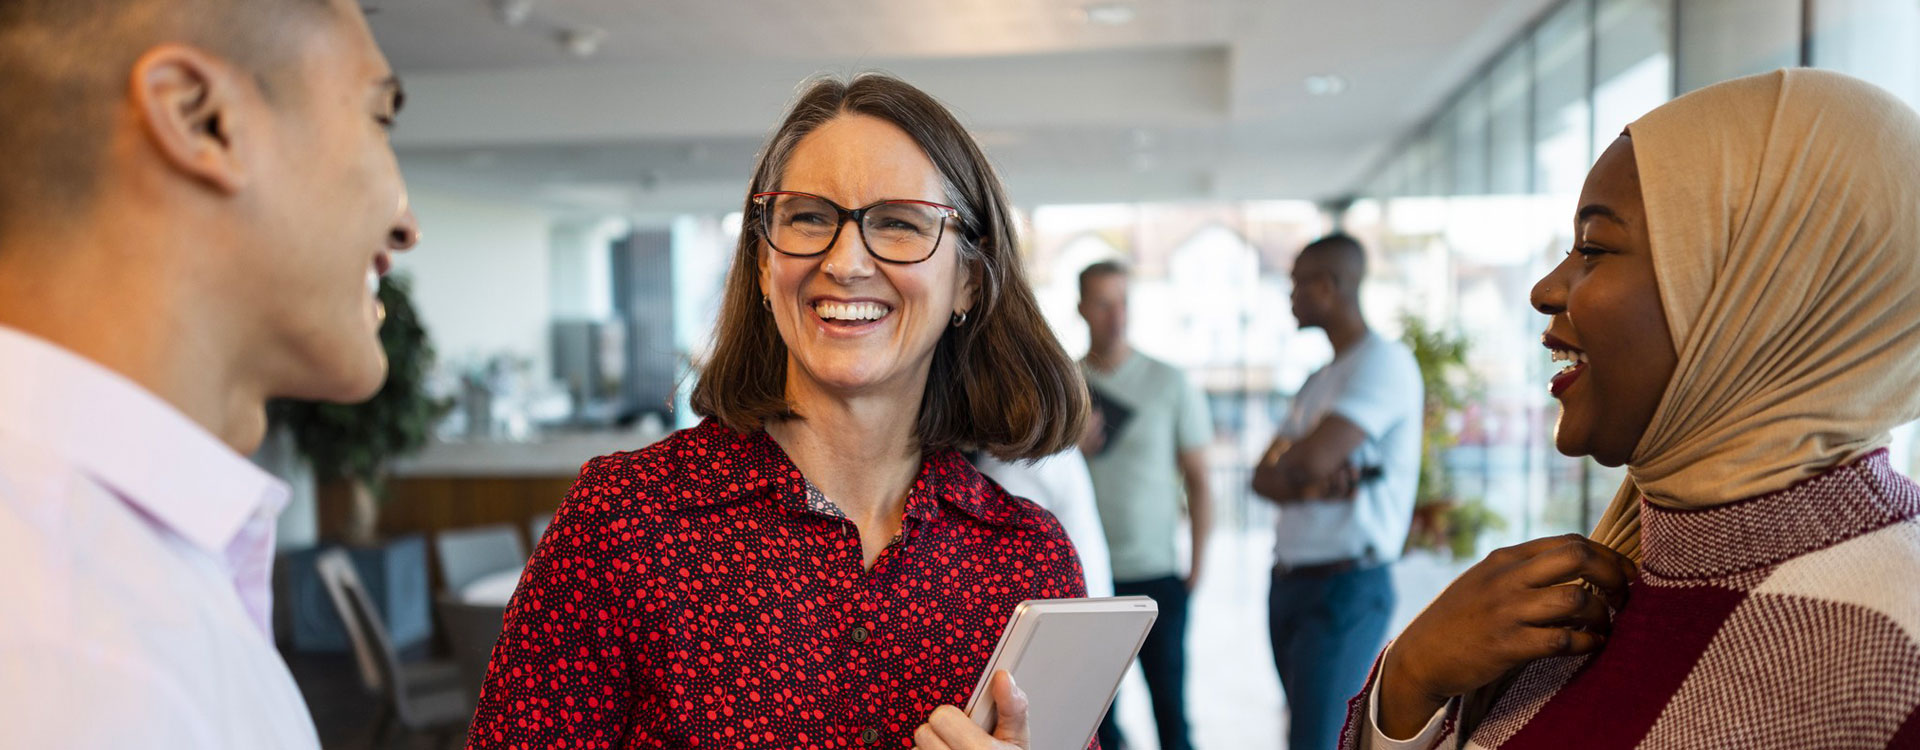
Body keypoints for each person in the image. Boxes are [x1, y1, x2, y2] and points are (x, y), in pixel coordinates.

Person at [465, 73, 1092, 750]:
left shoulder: (1029, 561)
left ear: (969, 278)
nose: (846, 261)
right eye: (809, 218)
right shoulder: (623, 520)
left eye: (900, 223)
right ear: (765, 264)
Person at [1351, 69, 1920, 749]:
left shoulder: (1891, 652)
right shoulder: (1606, 577)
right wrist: (1410, 682)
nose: (1545, 288)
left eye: (1593, 247)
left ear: (1757, 295)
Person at [0, 0, 421, 746]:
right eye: (377, 118)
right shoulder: (74, 649)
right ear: (201, 118)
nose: (405, 226)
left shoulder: (117, 578)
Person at [1251, 233, 1422, 750]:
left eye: (1298, 283)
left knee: (1318, 740)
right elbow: (1263, 476)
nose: (1290, 296)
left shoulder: (1383, 362)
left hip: (1344, 587)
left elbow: (1306, 460)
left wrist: (1300, 469)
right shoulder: (1320, 378)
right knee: (1305, 733)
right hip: (1292, 582)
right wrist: (1305, 484)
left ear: (1328, 286)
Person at [1076, 260, 1213, 750]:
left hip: (1157, 573)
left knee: (1171, 711)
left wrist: (1197, 565)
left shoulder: (1168, 382)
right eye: (1103, 303)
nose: (1117, 315)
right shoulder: (1063, 387)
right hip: (1088, 578)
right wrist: (1068, 442)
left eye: (1124, 302)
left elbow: (1199, 479)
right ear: (1081, 310)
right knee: (1096, 719)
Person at [973, 448, 1115, 599]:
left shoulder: (1022, 466)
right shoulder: (1059, 454)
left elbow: (997, 560)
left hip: (1069, 609)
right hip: (1087, 601)